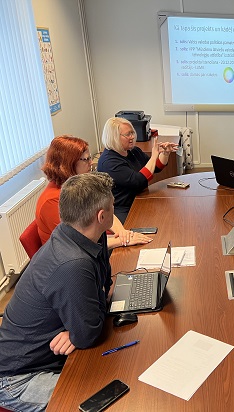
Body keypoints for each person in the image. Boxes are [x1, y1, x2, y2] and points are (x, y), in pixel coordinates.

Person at [0, 173, 117, 411]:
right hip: (18, 378)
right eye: (113, 205)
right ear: (101, 216)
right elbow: (88, 333)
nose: (114, 208)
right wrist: (79, 330)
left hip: (46, 358)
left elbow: (105, 286)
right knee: (102, 399)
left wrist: (77, 329)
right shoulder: (72, 264)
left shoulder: (84, 235)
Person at [36, 135, 151, 249]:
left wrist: (122, 232)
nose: (91, 163)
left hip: (95, 240)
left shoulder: (79, 185)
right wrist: (123, 240)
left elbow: (106, 209)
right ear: (68, 163)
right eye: (86, 159)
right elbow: (80, 243)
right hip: (76, 253)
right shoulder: (53, 201)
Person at [97, 117, 178, 223]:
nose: (132, 137)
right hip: (121, 208)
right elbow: (138, 181)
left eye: (132, 133)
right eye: (127, 134)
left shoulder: (133, 151)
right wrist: (154, 156)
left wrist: (165, 153)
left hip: (140, 198)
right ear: (114, 137)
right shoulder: (109, 162)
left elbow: (155, 167)